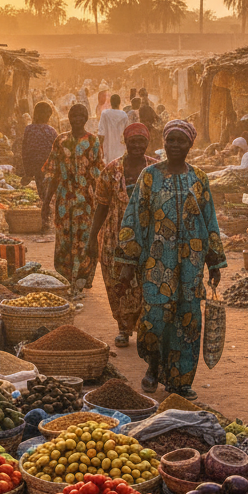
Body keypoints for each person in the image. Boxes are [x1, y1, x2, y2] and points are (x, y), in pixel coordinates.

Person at [116, 119, 226, 399]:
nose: (175, 145)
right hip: (156, 262)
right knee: (155, 318)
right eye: (170, 140)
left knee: (188, 320)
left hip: (191, 263)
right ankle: (153, 367)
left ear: (191, 143)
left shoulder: (199, 178)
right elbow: (135, 218)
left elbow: (209, 218)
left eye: (181, 140)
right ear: (163, 142)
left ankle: (180, 380)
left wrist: (214, 261)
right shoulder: (149, 176)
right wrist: (128, 261)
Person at [86, 123, 158, 347]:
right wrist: (91, 238)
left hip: (149, 238)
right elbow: (102, 206)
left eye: (141, 140)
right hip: (114, 238)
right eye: (132, 141)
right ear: (125, 142)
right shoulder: (111, 171)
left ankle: (147, 330)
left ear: (147, 142)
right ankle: (123, 328)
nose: (137, 145)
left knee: (148, 283)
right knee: (119, 284)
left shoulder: (157, 170)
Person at [40, 104, 103, 296]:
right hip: (64, 200)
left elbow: (98, 175)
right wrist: (46, 203)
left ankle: (81, 280)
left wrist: (102, 203)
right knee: (65, 239)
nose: (77, 119)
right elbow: (53, 173)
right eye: (73, 115)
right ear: (69, 118)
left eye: (81, 115)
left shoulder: (93, 141)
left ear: (86, 118)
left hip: (86, 200)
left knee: (84, 239)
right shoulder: (60, 141)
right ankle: (65, 279)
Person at [21, 102, 60, 227]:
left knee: (43, 193)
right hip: (49, 168)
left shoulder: (29, 129)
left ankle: (45, 218)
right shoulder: (52, 131)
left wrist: (27, 171)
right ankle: (47, 218)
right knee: (48, 193)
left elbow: (25, 150)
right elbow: (58, 150)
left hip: (36, 167)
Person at [97, 93, 131, 164]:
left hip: (108, 149)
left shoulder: (105, 114)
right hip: (121, 149)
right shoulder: (124, 115)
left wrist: (99, 149)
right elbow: (128, 134)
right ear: (119, 103)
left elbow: (101, 134)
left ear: (110, 102)